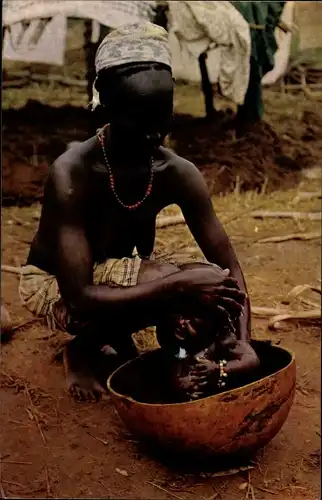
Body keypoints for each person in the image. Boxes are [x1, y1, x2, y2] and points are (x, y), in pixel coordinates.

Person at [19, 22, 253, 401]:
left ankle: (175, 357)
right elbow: (78, 295)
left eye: (163, 120)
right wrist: (178, 286)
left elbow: (231, 270)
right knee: (183, 283)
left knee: (212, 284)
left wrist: (245, 343)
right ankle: (83, 348)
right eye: (139, 122)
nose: (154, 135)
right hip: (53, 287)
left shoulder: (176, 171)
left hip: (117, 277)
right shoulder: (73, 170)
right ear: (107, 110)